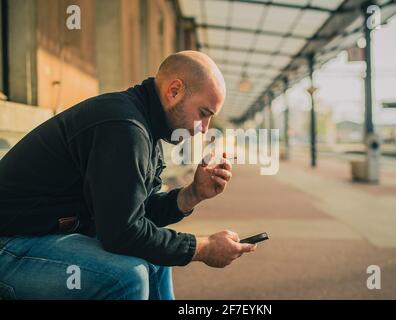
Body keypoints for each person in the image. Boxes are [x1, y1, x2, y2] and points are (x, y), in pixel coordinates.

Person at [0, 50, 257, 300]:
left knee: (156, 259)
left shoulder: (143, 126)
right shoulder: (124, 127)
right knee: (126, 277)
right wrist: (204, 248)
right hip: (10, 246)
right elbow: (122, 233)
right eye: (204, 114)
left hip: (42, 239)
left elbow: (136, 215)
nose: (205, 129)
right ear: (174, 91)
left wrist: (192, 194)